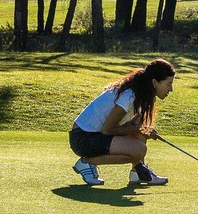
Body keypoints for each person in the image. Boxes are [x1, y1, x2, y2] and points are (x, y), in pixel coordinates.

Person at [69, 58, 175, 186]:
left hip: (95, 136)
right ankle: (87, 163)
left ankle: (138, 172)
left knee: (140, 133)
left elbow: (131, 126)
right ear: (154, 82)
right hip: (82, 138)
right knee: (139, 150)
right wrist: (140, 129)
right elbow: (107, 129)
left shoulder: (142, 96)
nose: (171, 89)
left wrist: (142, 130)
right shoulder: (130, 96)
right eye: (168, 84)